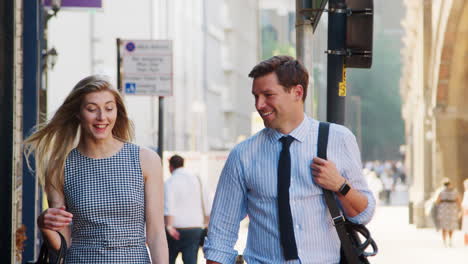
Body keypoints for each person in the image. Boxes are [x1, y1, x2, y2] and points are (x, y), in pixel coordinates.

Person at [203, 56, 375, 263]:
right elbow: (220, 235)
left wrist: (340, 185)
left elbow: (363, 213)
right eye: (255, 96)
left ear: (297, 92)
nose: (259, 104)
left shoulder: (338, 139)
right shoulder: (243, 155)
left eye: (268, 95)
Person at [23, 75, 168, 263]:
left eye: (109, 108)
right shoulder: (59, 166)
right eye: (92, 109)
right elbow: (62, 245)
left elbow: (156, 234)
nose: (102, 117)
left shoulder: (146, 160)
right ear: (78, 112)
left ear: (117, 111)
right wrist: (45, 225)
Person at [164, 154, 210, 264]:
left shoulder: (170, 181)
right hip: (195, 228)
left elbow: (168, 204)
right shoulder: (197, 179)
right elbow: (207, 201)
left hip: (175, 229)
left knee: (169, 259)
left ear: (170, 167)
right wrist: (207, 223)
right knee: (191, 260)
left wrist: (169, 226)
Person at [436, 178, 461, 247]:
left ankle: (444, 241)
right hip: (452, 209)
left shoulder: (441, 191)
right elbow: (458, 201)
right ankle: (450, 240)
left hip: (444, 209)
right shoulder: (455, 191)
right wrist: (459, 209)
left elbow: (437, 201)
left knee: (444, 226)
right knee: (451, 225)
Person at [461, 179, 468, 246]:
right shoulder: (466, 193)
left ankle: (466, 242)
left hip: (467, 213)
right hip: (466, 213)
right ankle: (466, 242)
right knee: (466, 228)